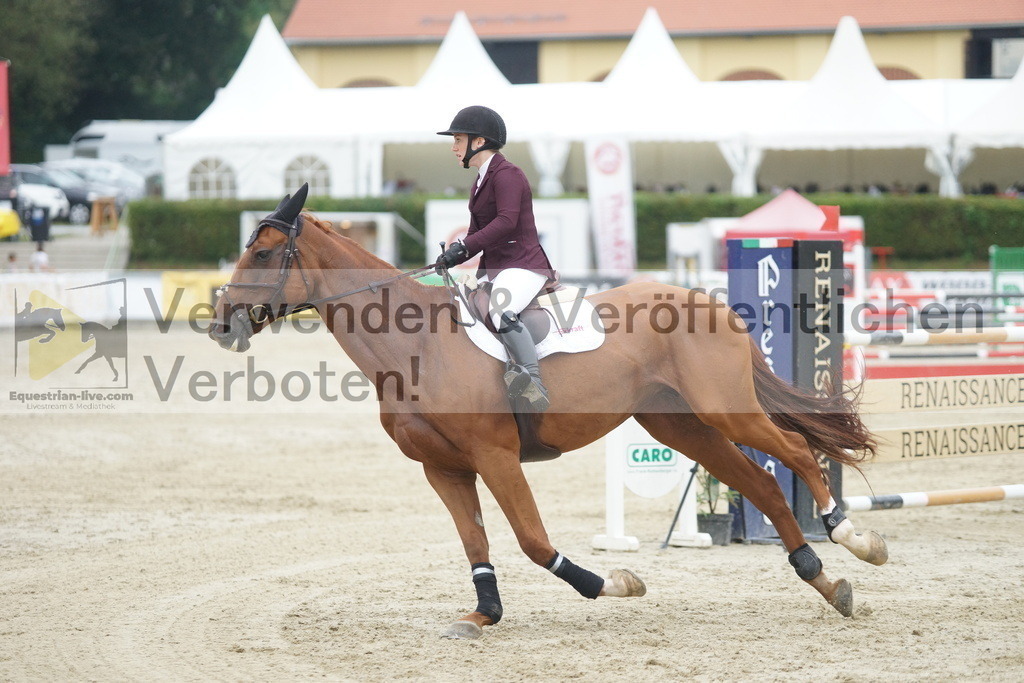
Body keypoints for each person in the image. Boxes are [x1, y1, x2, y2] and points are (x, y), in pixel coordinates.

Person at [435, 105, 555, 412]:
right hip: (496, 268)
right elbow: (477, 231)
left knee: (501, 311)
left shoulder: (508, 175)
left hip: (523, 263)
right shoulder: (478, 182)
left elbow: (506, 223)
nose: (453, 147)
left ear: (479, 142)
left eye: (458, 139)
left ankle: (533, 381)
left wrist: (464, 247)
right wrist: (453, 256)